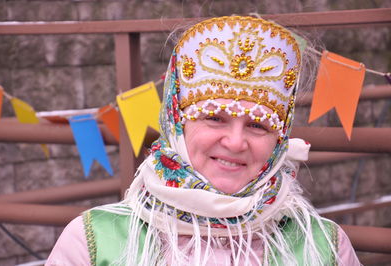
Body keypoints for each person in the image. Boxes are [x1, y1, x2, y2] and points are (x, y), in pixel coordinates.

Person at [46, 15, 360, 265]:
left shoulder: (325, 246)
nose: (236, 142)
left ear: (279, 138)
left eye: (258, 126)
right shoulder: (93, 241)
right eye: (215, 117)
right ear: (176, 122)